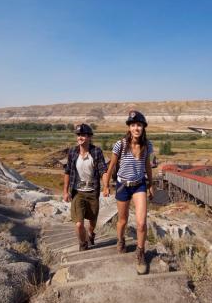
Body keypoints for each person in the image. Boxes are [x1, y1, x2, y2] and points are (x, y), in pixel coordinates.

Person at [102, 110, 155, 275]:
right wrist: (105, 185)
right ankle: (120, 240)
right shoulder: (121, 144)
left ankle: (140, 252)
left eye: (139, 125)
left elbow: (147, 166)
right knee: (122, 221)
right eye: (133, 125)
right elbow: (111, 166)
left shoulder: (147, 145)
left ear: (143, 127)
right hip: (122, 185)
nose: (136, 128)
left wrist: (150, 184)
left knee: (141, 223)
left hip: (139, 185)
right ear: (129, 127)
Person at [63, 123, 107, 251]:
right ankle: (83, 244)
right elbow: (67, 172)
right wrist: (65, 191)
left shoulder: (96, 151)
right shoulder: (72, 151)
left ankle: (91, 234)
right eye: (78, 135)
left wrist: (106, 186)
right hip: (78, 192)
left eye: (83, 135)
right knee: (78, 224)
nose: (80, 137)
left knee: (92, 221)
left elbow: (103, 170)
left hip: (93, 192)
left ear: (89, 137)